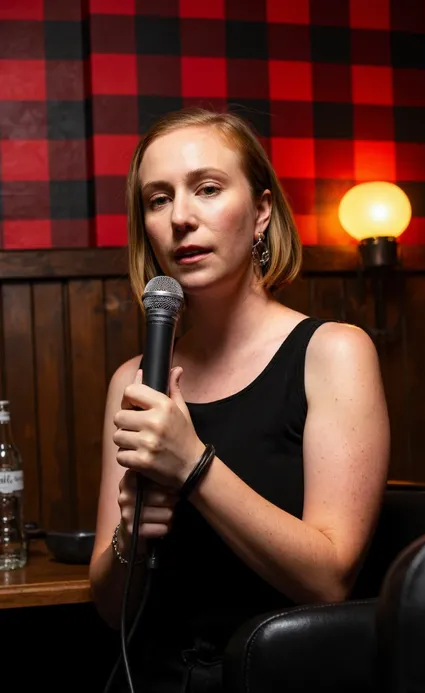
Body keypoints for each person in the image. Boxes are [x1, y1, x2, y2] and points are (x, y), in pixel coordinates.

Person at [89, 107, 390, 692]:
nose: (180, 217)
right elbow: (107, 606)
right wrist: (130, 534)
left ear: (260, 212)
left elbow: (329, 580)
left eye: (206, 189)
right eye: (157, 199)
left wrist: (193, 465)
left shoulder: (334, 353)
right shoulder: (134, 377)